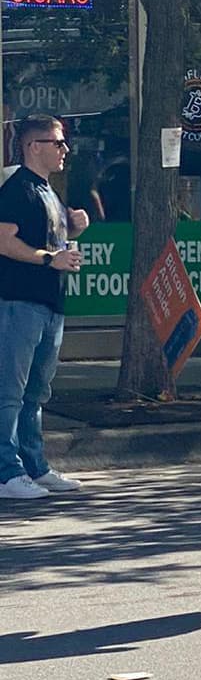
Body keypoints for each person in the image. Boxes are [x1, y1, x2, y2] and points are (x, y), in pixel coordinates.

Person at [0, 114, 87, 500]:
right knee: (10, 391)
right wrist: (49, 259)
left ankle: (34, 465)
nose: (64, 149)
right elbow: (3, 241)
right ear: (34, 147)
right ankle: (6, 472)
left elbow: (49, 237)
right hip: (19, 302)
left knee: (37, 391)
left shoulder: (49, 191)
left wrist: (75, 229)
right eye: (57, 143)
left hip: (50, 304)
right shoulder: (17, 189)